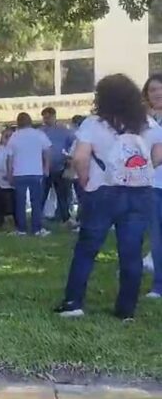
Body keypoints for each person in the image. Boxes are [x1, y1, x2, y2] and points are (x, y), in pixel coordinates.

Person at [55, 73, 162, 321]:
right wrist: (139, 172)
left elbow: (80, 158)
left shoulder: (94, 123)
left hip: (102, 191)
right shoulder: (148, 123)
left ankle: (73, 303)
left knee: (87, 248)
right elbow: (158, 155)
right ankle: (126, 310)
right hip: (139, 193)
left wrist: (84, 180)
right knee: (131, 252)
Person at [7, 112, 52, 236]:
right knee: (36, 201)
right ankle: (37, 228)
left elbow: (10, 157)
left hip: (19, 172)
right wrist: (46, 167)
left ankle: (21, 228)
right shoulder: (39, 134)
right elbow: (47, 151)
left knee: (20, 202)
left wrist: (9, 173)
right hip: (36, 172)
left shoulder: (14, 136)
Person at [143, 74, 162, 298]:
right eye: (152, 90)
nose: (157, 93)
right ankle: (159, 285)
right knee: (157, 238)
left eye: (160, 89)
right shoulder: (145, 123)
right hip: (152, 186)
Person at [40, 107, 75, 225]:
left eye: (48, 117)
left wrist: (69, 158)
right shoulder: (41, 131)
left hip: (60, 166)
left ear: (54, 116)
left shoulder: (64, 130)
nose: (46, 120)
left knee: (62, 195)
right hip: (44, 167)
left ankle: (65, 217)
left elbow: (73, 144)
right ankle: (38, 217)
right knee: (42, 194)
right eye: (44, 117)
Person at [0, 127, 17, 228]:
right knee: (2, 202)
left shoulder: (16, 149)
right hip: (0, 181)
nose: (8, 139)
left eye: (11, 136)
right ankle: (2, 221)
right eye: (6, 136)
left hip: (14, 182)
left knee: (13, 203)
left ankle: (13, 221)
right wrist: (6, 173)